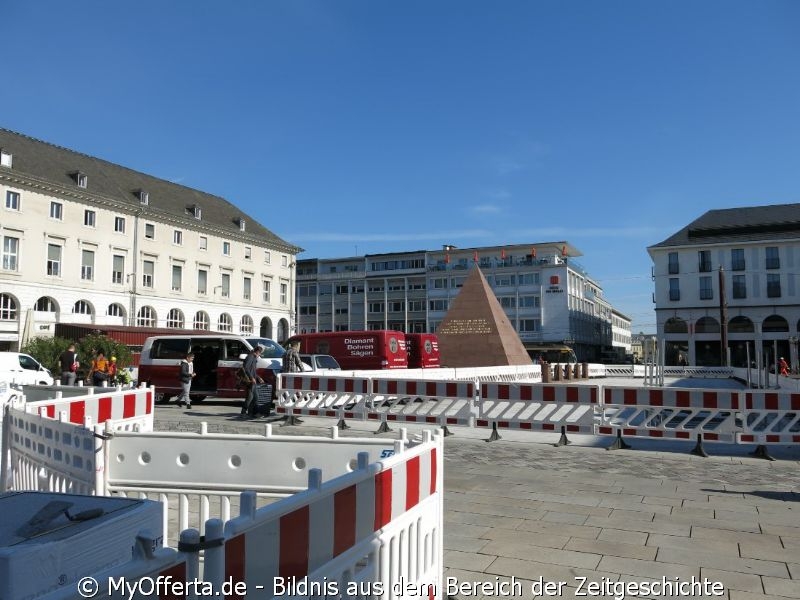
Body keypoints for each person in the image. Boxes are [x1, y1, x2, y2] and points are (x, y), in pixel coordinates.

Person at [241, 345, 264, 417]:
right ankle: (245, 412)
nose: (259, 355)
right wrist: (252, 378)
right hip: (250, 381)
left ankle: (251, 413)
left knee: (253, 397)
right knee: (251, 397)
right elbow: (246, 368)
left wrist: (258, 377)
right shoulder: (250, 357)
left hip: (252, 380)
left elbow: (253, 371)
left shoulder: (253, 358)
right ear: (257, 352)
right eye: (260, 354)